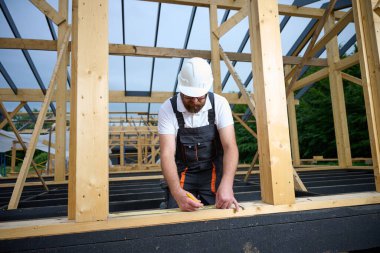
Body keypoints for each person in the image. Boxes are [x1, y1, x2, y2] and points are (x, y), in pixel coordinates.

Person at [158, 57, 240, 212]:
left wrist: (227, 184)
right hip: (183, 173)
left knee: (221, 210)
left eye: (200, 97)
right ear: (181, 88)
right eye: (189, 96)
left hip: (213, 171)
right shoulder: (167, 109)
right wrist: (176, 192)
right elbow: (167, 153)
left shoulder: (220, 104)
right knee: (177, 213)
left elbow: (230, 146)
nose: (195, 101)